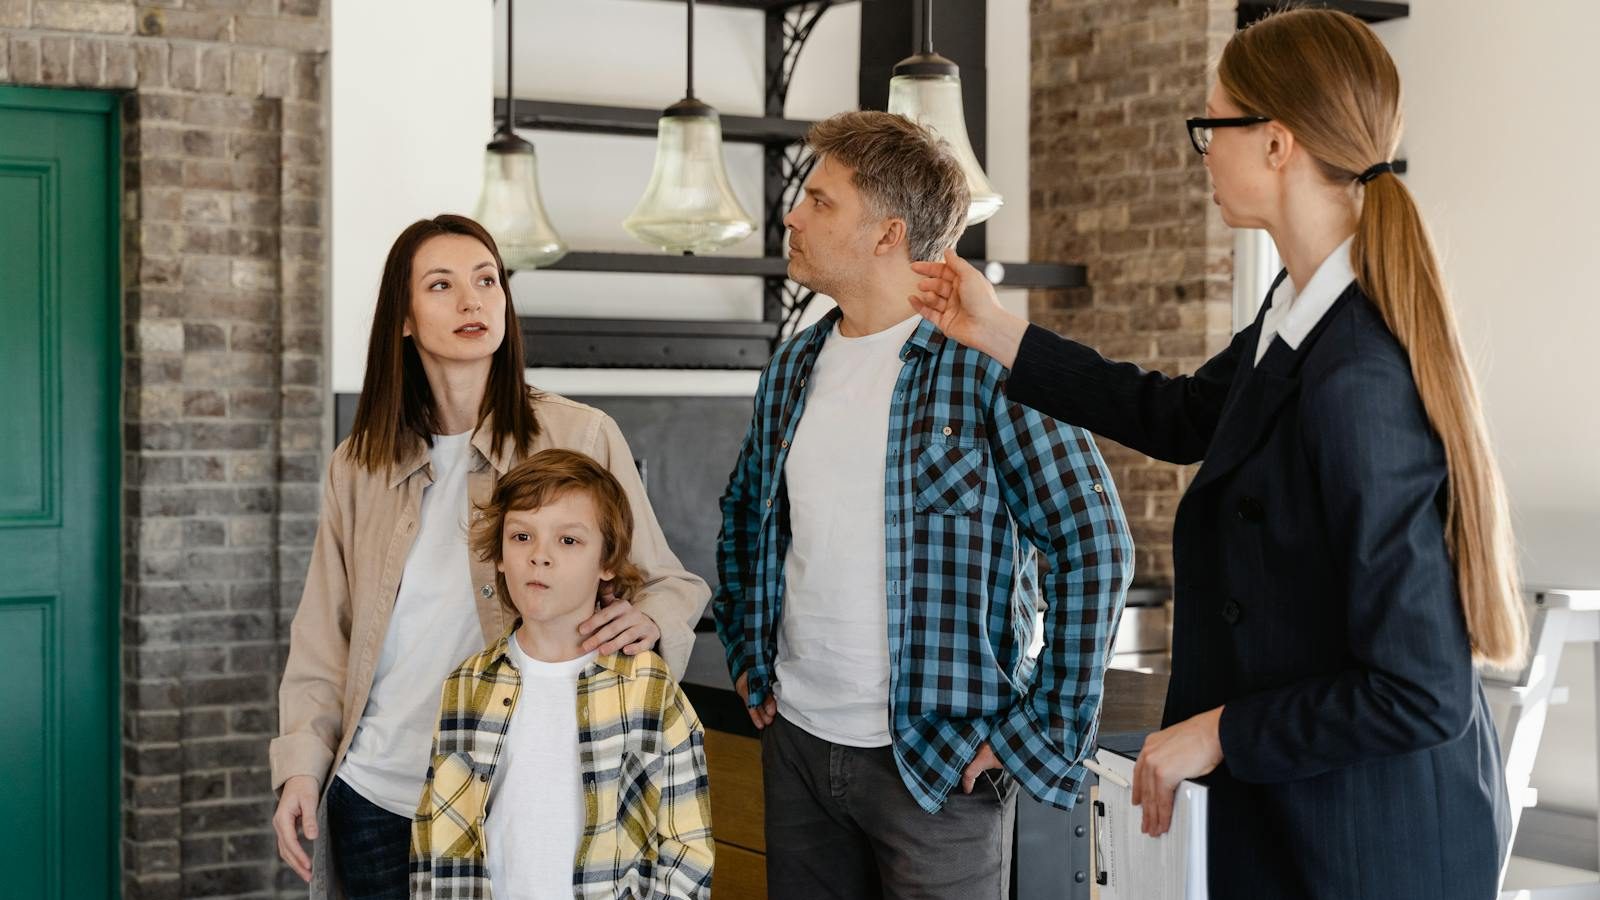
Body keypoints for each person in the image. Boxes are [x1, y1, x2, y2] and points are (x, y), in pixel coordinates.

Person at [908, 9, 1526, 899]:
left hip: (1366, 844)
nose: (1203, 150)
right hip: (1298, 817)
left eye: (1212, 126)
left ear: (1276, 143)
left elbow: (1419, 691)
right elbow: (1180, 413)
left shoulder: (1357, 375)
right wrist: (998, 332)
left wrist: (1221, 731)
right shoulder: (1295, 310)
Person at [714, 110, 1134, 899]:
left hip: (940, 766)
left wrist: (1040, 729)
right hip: (798, 745)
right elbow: (745, 514)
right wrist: (747, 653)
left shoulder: (989, 365)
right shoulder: (795, 365)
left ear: (887, 233)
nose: (793, 214)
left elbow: (1096, 543)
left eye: (820, 200)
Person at [268, 215, 709, 899]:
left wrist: (651, 620)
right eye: (441, 285)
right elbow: (324, 636)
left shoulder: (580, 434)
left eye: (487, 281)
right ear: (405, 319)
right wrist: (301, 765)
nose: (473, 301)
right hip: (375, 796)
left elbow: (667, 583)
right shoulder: (356, 467)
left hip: (517, 794)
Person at [410, 448, 714, 900]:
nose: (540, 557)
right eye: (521, 537)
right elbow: (436, 839)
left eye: (568, 541)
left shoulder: (648, 687)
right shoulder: (467, 685)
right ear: (497, 555)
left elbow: (686, 852)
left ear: (607, 561)